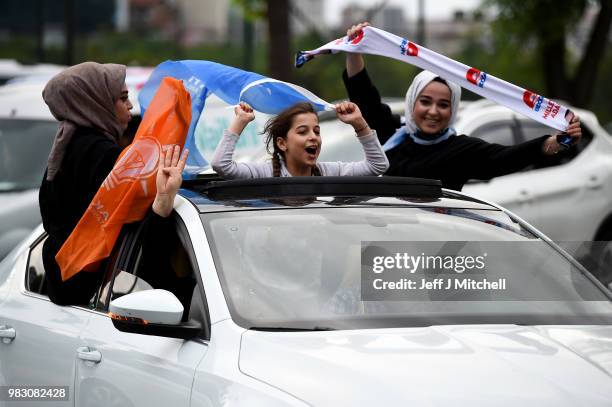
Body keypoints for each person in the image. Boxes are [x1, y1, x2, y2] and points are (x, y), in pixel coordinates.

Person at [342, 22, 583, 191]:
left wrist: (552, 143)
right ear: (411, 102)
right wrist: (354, 50)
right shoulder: (392, 132)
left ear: (453, 109)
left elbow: (504, 158)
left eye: (443, 105)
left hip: (430, 249)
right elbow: (365, 98)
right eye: (425, 102)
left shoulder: (460, 150)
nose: (433, 111)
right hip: (384, 242)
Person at [39, 62, 187, 305]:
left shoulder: (67, 146)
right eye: (122, 98)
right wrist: (162, 202)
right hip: (94, 287)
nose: (130, 105)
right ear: (95, 102)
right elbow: (132, 223)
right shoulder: (101, 155)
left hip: (63, 280)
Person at [211, 101, 389, 178]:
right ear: (282, 143)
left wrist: (359, 124)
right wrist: (240, 121)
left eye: (317, 131)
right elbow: (221, 165)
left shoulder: (329, 173)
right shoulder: (264, 173)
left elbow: (378, 166)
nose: (313, 137)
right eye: (303, 132)